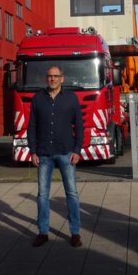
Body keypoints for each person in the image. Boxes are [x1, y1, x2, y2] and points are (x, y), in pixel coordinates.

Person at [28, 65, 84, 248]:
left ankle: (75, 232)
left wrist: (77, 150)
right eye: (49, 76)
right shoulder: (38, 99)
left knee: (72, 193)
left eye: (55, 76)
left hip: (67, 152)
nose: (52, 79)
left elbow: (79, 126)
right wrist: (33, 151)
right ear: (47, 79)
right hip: (44, 153)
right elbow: (32, 127)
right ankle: (43, 232)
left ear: (62, 78)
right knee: (43, 194)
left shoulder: (71, 98)